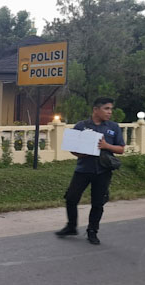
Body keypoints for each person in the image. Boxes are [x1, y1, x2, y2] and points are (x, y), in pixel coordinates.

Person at [55, 97, 125, 245]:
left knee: (98, 203)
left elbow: (121, 149)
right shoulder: (81, 126)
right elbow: (72, 147)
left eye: (111, 109)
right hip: (83, 169)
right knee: (71, 198)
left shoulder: (113, 127)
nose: (109, 112)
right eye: (106, 109)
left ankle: (92, 231)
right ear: (95, 110)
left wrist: (106, 146)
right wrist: (79, 154)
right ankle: (71, 226)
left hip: (103, 171)